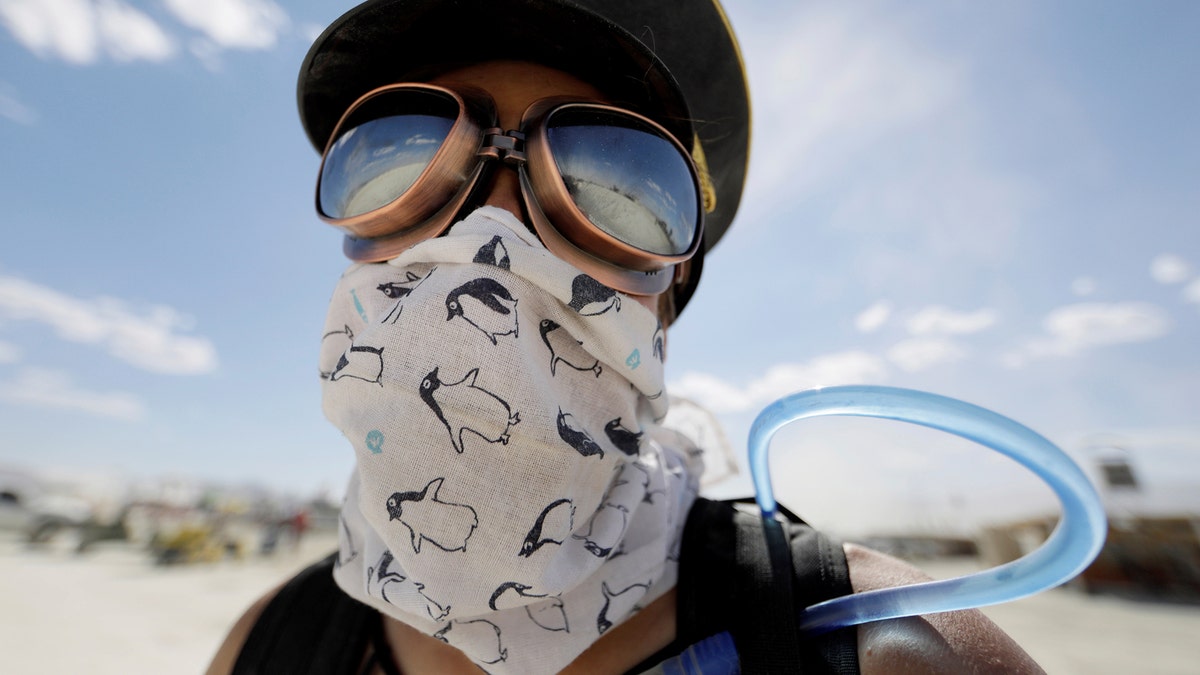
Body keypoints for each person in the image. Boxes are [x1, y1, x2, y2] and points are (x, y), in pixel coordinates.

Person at [208, 0, 1044, 672]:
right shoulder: (267, 646)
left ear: (666, 302)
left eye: (607, 185)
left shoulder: (883, 651)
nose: (490, 234)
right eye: (404, 159)